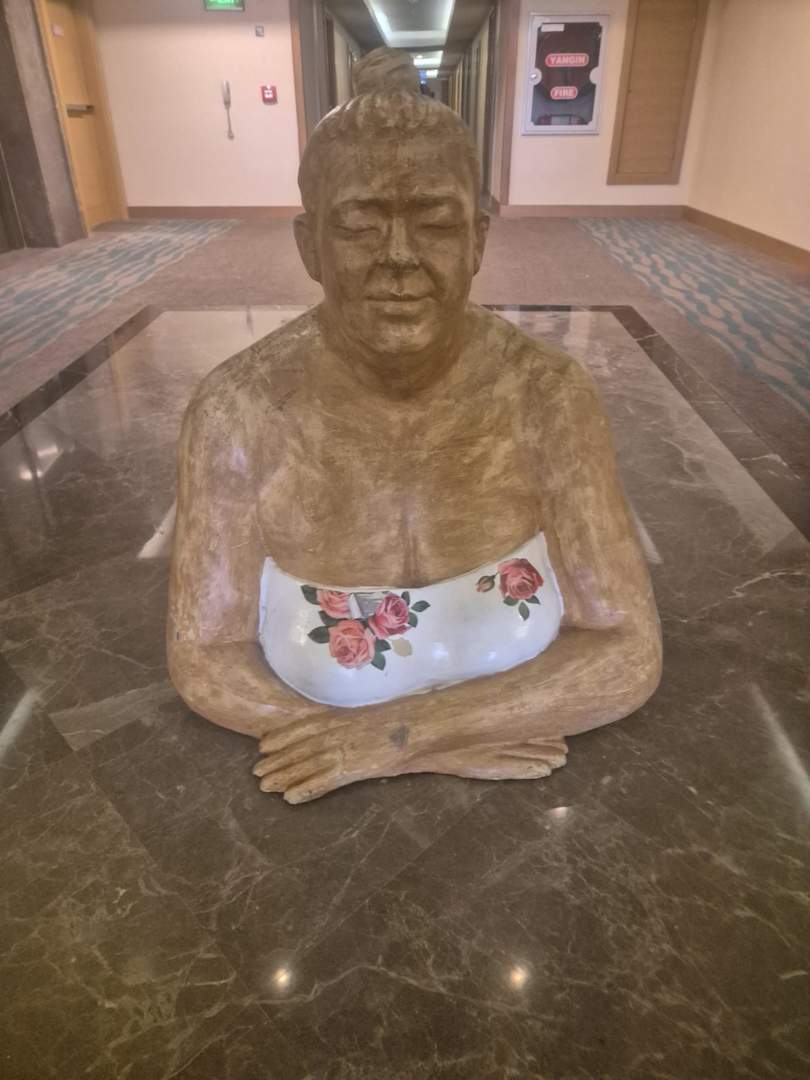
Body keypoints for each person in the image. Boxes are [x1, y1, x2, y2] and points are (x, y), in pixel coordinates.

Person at [168, 48, 661, 803]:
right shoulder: (237, 411)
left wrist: (396, 739)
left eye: (434, 223)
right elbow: (204, 655)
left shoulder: (547, 396)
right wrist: (437, 742)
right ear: (308, 246)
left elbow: (628, 649)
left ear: (477, 241)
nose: (398, 257)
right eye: (359, 225)